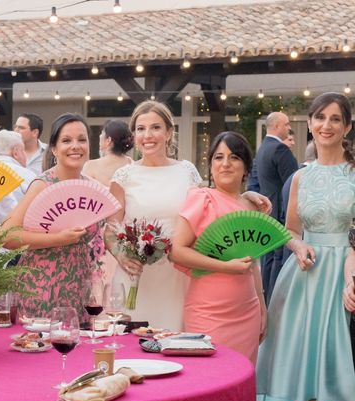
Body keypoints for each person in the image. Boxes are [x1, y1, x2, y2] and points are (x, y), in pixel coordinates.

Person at [105, 100, 270, 332]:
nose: (148, 135)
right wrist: (122, 256)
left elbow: (211, 203)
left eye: (155, 127)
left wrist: (247, 196)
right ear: (133, 135)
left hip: (178, 275)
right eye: (140, 129)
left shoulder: (186, 171)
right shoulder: (123, 176)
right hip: (136, 278)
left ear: (169, 132)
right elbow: (110, 229)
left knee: (175, 342)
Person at [256, 92, 355, 401]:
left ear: (347, 127)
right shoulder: (300, 176)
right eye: (319, 117)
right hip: (305, 278)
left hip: (344, 278)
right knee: (302, 378)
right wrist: (295, 245)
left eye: (335, 119)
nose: (326, 125)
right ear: (309, 123)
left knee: (341, 379)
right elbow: (291, 229)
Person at [170, 131, 266, 363]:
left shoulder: (252, 206)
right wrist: (225, 266)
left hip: (248, 311)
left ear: (246, 167)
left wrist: (263, 308)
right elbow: (176, 251)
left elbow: (254, 264)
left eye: (234, 157)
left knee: (242, 384)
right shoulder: (201, 199)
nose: (225, 164)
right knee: (209, 380)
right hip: (208, 312)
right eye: (218, 157)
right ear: (211, 165)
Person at [1, 113, 96, 317]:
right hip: (42, 289)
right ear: (53, 148)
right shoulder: (42, 185)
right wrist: (58, 239)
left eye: (82, 139)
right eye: (66, 140)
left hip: (80, 290)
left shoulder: (91, 187)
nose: (75, 146)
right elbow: (6, 236)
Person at [250, 112, 299, 304]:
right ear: (277, 126)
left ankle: (268, 300)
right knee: (278, 262)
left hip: (267, 213)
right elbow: (293, 184)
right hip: (282, 214)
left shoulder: (262, 149)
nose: (289, 129)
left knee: (269, 260)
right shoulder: (280, 150)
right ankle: (277, 302)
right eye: (287, 125)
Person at [83, 119, 134, 284]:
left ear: (109, 140)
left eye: (101, 134)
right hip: (123, 232)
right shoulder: (132, 167)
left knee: (97, 281)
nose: (99, 137)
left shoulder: (90, 166)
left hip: (95, 233)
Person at [0, 129, 36, 231]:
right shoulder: (26, 175)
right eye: (23, 150)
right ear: (16, 152)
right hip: (19, 240)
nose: (25, 156)